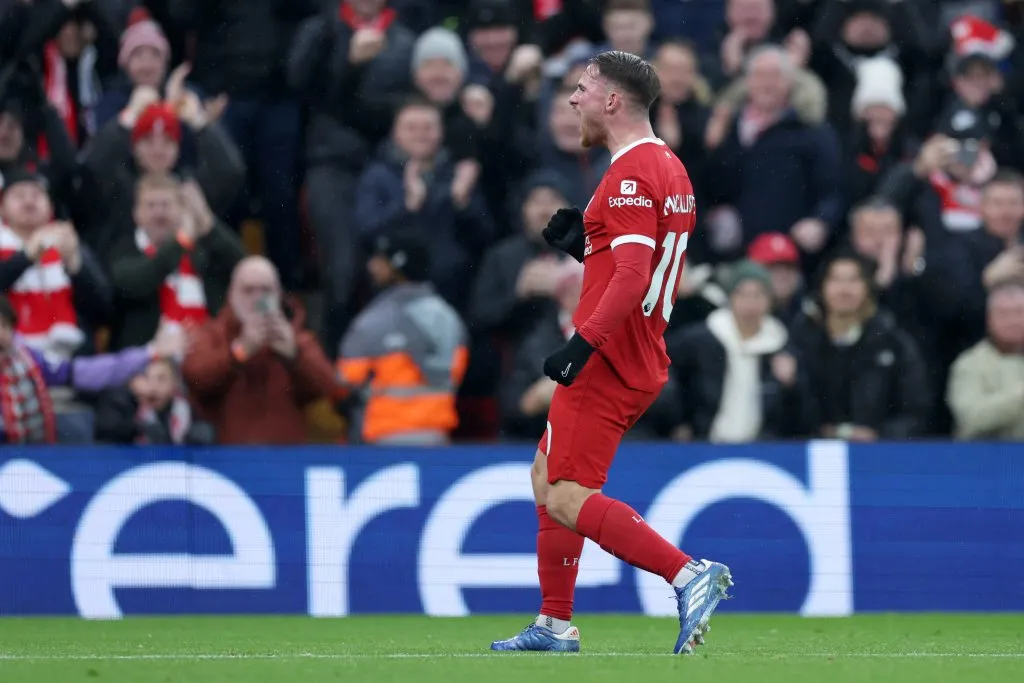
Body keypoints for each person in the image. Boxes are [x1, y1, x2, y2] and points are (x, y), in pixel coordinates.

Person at [489, 50, 732, 656]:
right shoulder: (667, 167)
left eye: (581, 89)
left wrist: (581, 345)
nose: (573, 100)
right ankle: (553, 624)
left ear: (612, 101)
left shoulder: (626, 175)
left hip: (610, 357)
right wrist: (587, 246)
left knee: (567, 494)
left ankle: (687, 574)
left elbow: (629, 277)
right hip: (638, 351)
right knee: (546, 474)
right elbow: (639, 268)